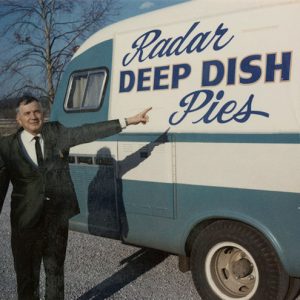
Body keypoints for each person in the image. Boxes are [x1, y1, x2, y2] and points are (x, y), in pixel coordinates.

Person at [0, 95, 151, 300]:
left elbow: (87, 131)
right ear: (18, 119)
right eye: (27, 113)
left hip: (55, 222)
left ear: (43, 114)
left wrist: (127, 121)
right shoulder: (6, 146)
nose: (33, 116)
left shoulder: (56, 133)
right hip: (25, 224)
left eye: (37, 111)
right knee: (27, 279)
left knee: (55, 275)